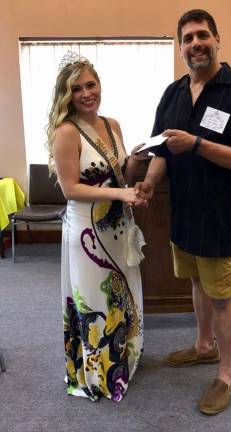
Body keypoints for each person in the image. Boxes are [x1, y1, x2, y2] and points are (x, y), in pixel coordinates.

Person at [135, 9, 231, 415]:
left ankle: (227, 373)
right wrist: (151, 181)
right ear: (179, 48)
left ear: (217, 40)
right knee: (195, 281)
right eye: (188, 38)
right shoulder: (172, 94)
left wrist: (195, 144)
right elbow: (162, 149)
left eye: (203, 35)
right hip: (185, 215)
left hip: (222, 215)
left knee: (223, 295)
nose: (196, 43)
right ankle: (203, 346)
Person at [46, 53, 146, 402]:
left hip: (117, 225)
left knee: (122, 291)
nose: (87, 93)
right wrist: (120, 191)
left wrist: (133, 163)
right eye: (77, 89)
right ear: (67, 95)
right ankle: (98, 374)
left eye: (91, 85)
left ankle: (125, 358)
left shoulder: (112, 124)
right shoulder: (66, 131)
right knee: (95, 300)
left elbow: (120, 174)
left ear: (100, 85)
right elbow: (71, 188)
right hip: (86, 229)